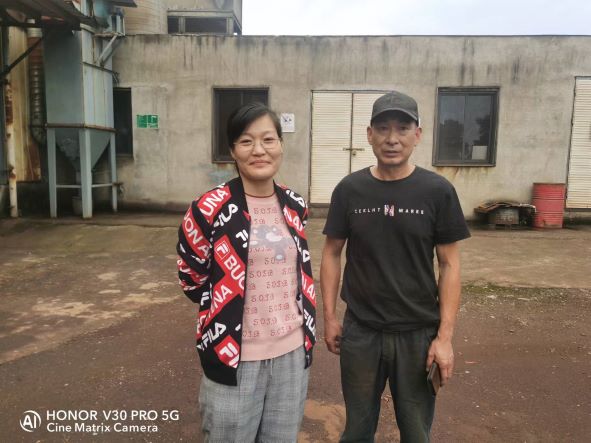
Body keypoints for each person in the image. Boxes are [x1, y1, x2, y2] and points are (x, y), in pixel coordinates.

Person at [320, 91, 470, 443]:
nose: (392, 139)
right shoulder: (350, 190)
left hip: (417, 335)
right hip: (362, 332)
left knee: (416, 432)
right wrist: (329, 317)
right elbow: (331, 253)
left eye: (402, 128)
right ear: (369, 134)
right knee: (357, 430)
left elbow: (450, 265)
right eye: (383, 128)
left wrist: (444, 338)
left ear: (417, 135)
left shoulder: (437, 191)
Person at [176, 102, 316, 442]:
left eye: (268, 139)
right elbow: (191, 277)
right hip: (234, 355)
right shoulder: (208, 208)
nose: (259, 150)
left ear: (281, 144)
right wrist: (225, 309)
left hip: (291, 352)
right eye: (246, 141)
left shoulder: (295, 204)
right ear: (232, 151)